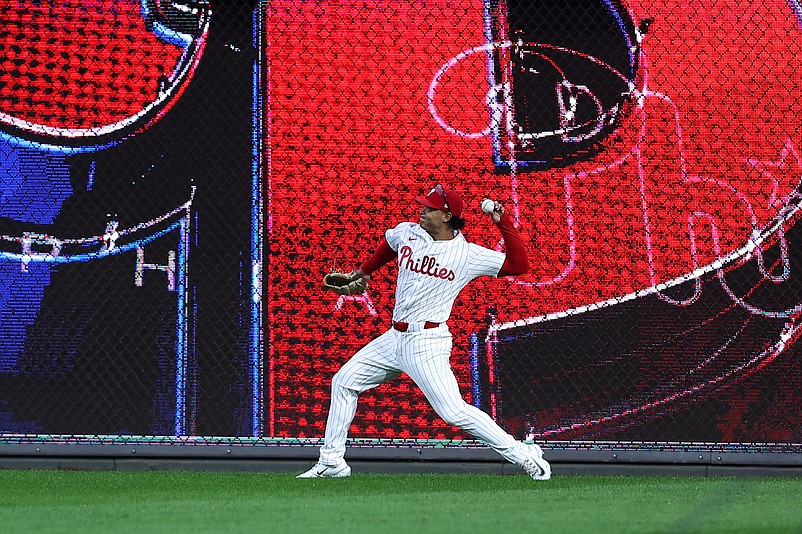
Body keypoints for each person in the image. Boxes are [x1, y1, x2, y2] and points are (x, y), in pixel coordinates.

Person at [298, 184, 551, 480]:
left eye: (429, 208)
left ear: (446, 216)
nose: (422, 210)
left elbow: (519, 265)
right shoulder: (410, 231)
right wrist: (365, 272)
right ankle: (331, 463)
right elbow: (390, 245)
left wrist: (502, 221)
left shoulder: (466, 254)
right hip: (394, 339)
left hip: (426, 342)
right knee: (343, 382)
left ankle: (523, 454)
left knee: (454, 413)